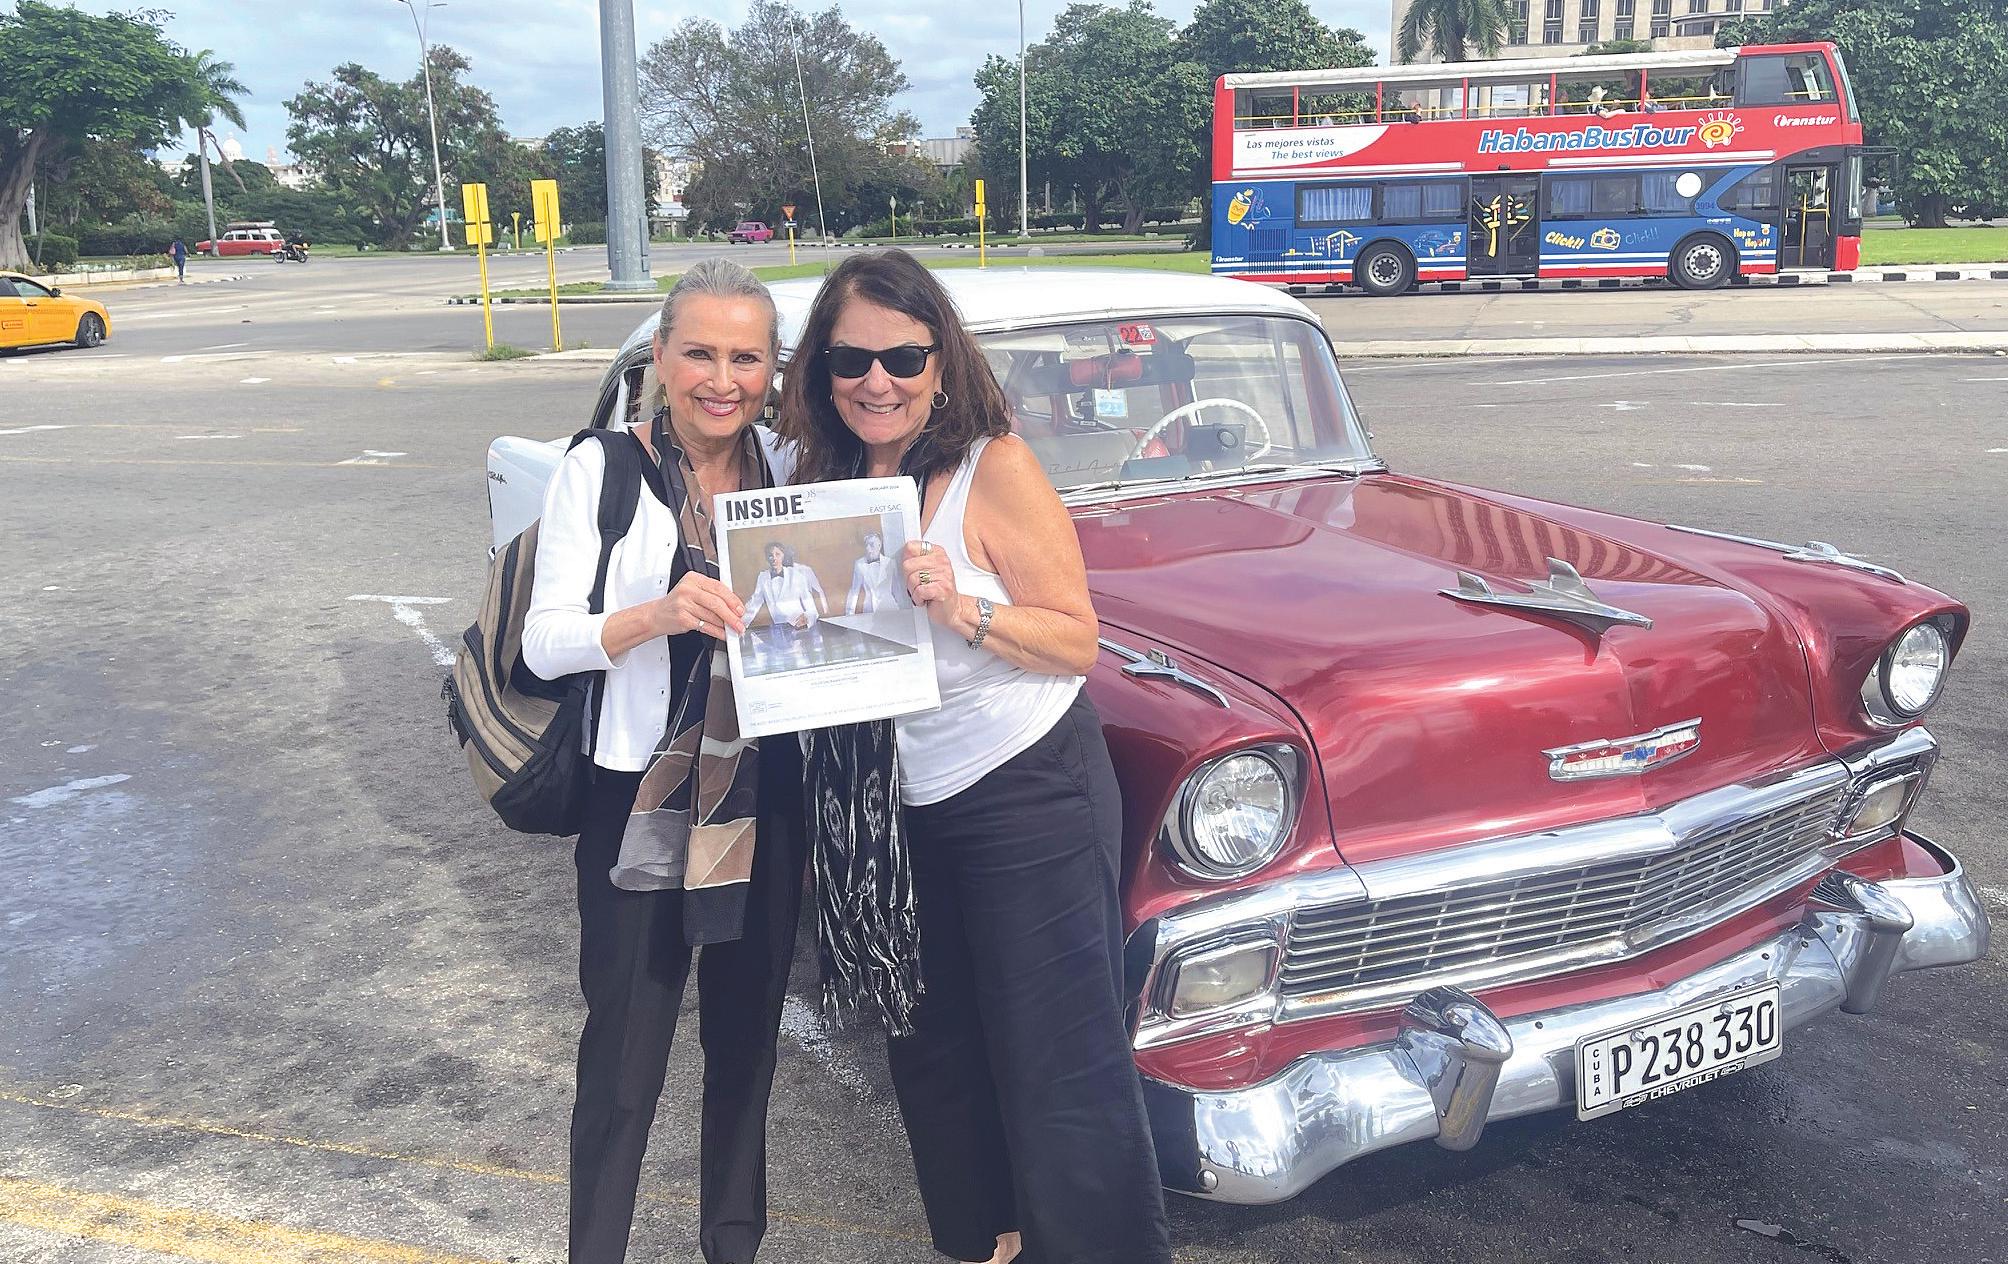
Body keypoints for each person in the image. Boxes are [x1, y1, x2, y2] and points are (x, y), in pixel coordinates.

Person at [778, 249, 1172, 1264]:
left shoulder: (993, 467)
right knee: (931, 1040)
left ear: (942, 362)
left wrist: (961, 607)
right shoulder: (818, 482)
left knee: (1058, 1055)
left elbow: (1075, 639)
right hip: (898, 799)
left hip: (1024, 784)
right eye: (851, 360)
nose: (877, 381)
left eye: (903, 358)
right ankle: (988, 1241)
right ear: (821, 370)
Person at [520, 257, 804, 1264]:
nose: (722, 380)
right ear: (661, 358)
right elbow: (542, 642)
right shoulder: (601, 470)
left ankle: (733, 1245)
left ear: (772, 368)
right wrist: (659, 612)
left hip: (764, 795)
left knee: (746, 1048)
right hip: (636, 798)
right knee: (625, 1057)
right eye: (700, 354)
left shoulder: (790, 468)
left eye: (746, 358)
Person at [743, 541, 826, 629]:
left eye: (777, 554)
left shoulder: (796, 575)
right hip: (779, 628)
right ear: (767, 558)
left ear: (783, 556)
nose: (774, 558)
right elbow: (755, 602)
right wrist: (741, 623)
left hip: (800, 627)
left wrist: (807, 618)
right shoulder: (763, 577)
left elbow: (810, 606)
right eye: (770, 555)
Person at [845, 531, 904, 614]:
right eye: (866, 545)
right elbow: (854, 591)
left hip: (890, 609)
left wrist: (903, 611)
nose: (868, 549)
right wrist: (849, 614)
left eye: (871, 545)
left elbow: (897, 589)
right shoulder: (859, 564)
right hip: (869, 610)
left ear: (879, 545)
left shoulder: (890, 563)